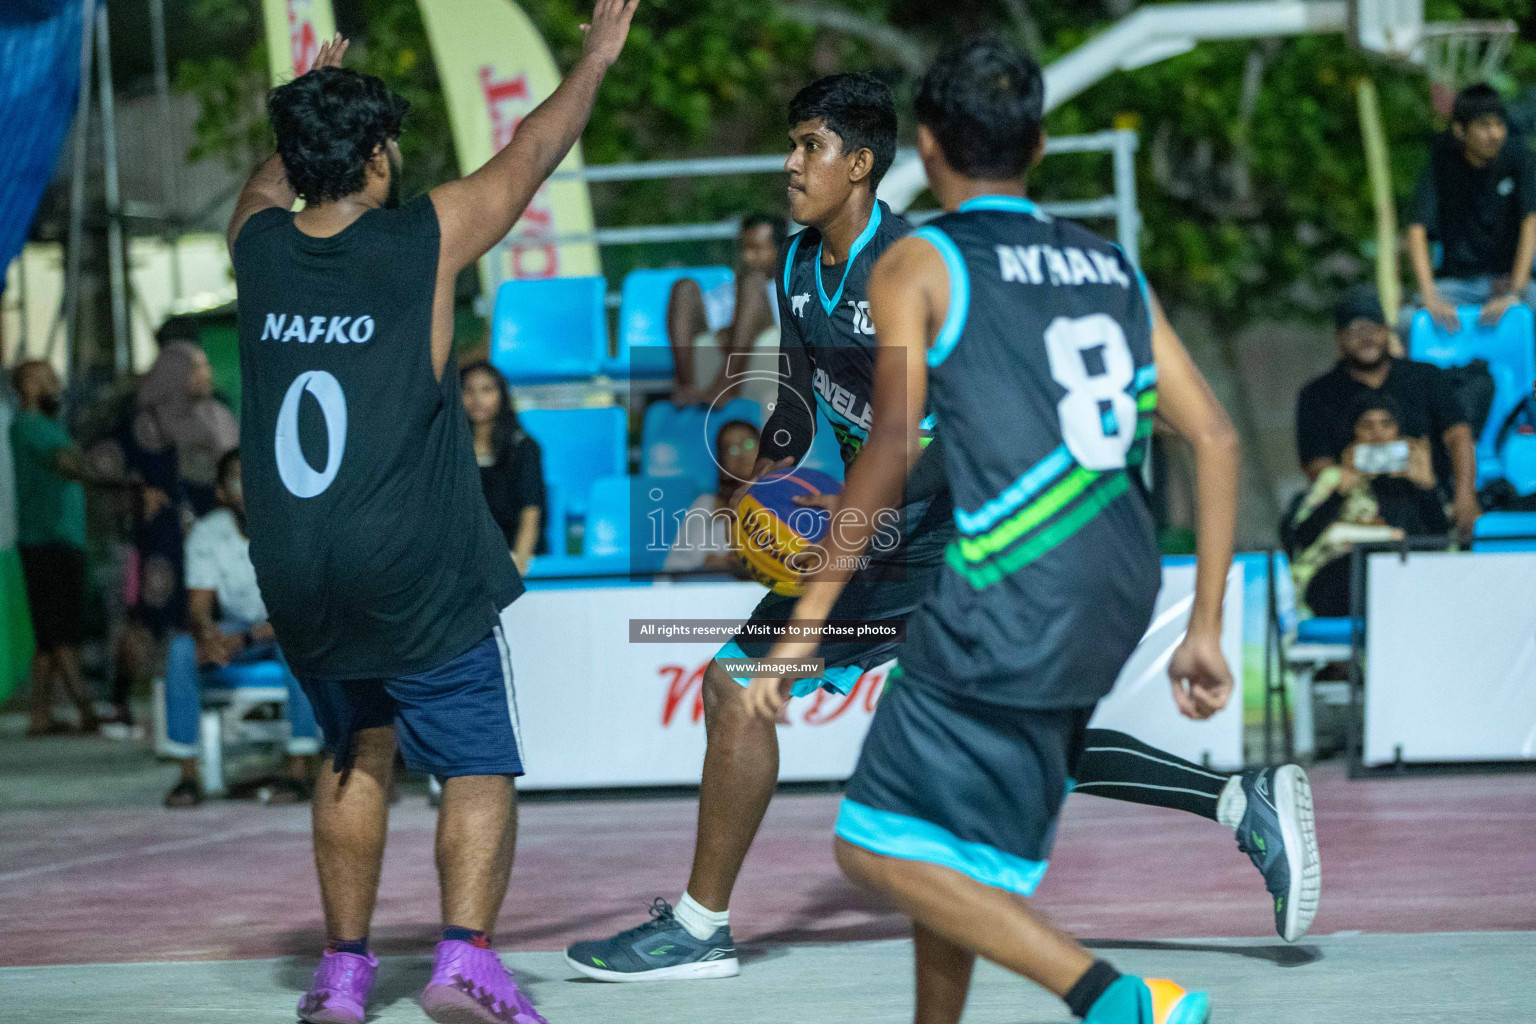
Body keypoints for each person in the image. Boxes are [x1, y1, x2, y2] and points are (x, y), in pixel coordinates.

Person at [565, 69, 1318, 987]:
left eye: (811, 146)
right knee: (1016, 734)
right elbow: (806, 403)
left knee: (740, 687)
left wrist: (842, 537)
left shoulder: (913, 263)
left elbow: (927, 444)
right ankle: (1239, 803)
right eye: (792, 143)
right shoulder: (801, 264)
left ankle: (699, 926)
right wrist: (770, 476)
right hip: (901, 534)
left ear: (868, 163)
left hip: (949, 534)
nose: (791, 164)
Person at [743, 37, 1246, 1024]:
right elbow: (1217, 438)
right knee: (947, 844)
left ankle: (1119, 999)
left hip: (1011, 584)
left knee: (873, 848)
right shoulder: (1109, 263)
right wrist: (1205, 626)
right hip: (1121, 585)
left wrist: (806, 623)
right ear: (1042, 143)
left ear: (924, 149)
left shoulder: (919, 259)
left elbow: (887, 449)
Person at [226, 10, 635, 1023]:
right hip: (407, 559)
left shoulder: (256, 245)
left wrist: (306, 117)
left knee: (354, 748)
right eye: (389, 144)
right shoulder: (424, 239)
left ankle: (345, 975)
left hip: (296, 562)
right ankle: (464, 960)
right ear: (374, 155)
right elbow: (534, 150)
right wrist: (591, 60)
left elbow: (265, 183)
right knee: (478, 759)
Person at [162, 450, 322, 808]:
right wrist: (208, 635)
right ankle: (188, 774)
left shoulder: (290, 528)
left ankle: (298, 770)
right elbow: (199, 607)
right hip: (239, 630)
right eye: (235, 478)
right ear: (221, 490)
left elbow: (298, 611)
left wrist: (244, 638)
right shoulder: (208, 533)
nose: (245, 486)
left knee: (298, 645)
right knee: (181, 650)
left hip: (287, 629)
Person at [107, 340, 240, 725]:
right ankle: (121, 704)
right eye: (196, 368)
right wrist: (135, 491)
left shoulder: (217, 415)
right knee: (150, 617)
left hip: (213, 533)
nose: (206, 375)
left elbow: (234, 467)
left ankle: (198, 706)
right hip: (162, 538)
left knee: (203, 614)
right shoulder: (145, 423)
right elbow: (98, 462)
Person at [1296, 287, 1478, 535]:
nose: (1366, 338)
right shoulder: (1317, 395)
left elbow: (1459, 435)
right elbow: (1316, 463)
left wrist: (1464, 497)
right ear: (1338, 338)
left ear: (1386, 330)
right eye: (1354, 331)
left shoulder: (1426, 377)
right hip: (1354, 517)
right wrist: (1346, 479)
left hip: (1428, 504)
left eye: (1372, 328)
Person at [1290, 393, 1449, 617]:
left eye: (1386, 424)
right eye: (1367, 425)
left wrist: (1426, 488)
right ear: (1353, 433)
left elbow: (1439, 541)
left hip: (1401, 580)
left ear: (1398, 430)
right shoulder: (1335, 478)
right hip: (1338, 581)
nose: (1378, 434)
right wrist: (1340, 493)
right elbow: (1301, 538)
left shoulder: (1415, 479)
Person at [11, 361, 101, 736]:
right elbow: (69, 465)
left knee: (48, 637)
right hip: (47, 540)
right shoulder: (29, 426)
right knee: (63, 633)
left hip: (61, 539)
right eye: (48, 378)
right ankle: (87, 709)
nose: (57, 384)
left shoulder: (49, 426)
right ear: (29, 385)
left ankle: (40, 716)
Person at [1407, 83, 1536, 331]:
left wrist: (1514, 293)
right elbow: (1416, 228)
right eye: (1484, 126)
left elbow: (1531, 221)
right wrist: (1429, 295)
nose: (1495, 134)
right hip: (1458, 283)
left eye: (1499, 125)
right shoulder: (1441, 160)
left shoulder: (1519, 156)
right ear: (1460, 130)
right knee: (1407, 323)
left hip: (1510, 279)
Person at [667, 214, 787, 408]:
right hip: (717, 358)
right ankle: (686, 386)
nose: (746, 257)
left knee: (752, 283)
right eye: (743, 249)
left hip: (769, 361)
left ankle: (728, 386)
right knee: (684, 287)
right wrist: (728, 333)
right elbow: (715, 331)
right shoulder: (727, 289)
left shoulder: (795, 287)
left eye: (756, 249)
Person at [461, 361, 547, 574]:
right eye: (468, 391)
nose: (477, 399)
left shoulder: (523, 447)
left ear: (502, 395)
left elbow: (531, 510)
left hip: (512, 551)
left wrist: (519, 561)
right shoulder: (452, 449)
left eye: (487, 390)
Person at [663, 419, 760, 573]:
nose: (741, 454)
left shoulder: (785, 501)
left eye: (748, 444)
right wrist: (707, 563)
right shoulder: (706, 504)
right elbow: (674, 565)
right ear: (722, 463)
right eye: (731, 449)